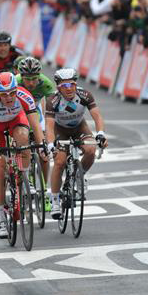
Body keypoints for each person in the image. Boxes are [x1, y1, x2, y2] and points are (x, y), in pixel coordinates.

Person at [0, 72, 46, 239]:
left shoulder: (24, 95)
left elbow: (35, 125)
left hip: (16, 121)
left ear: (16, 89)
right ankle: (1, 218)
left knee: (24, 138)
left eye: (12, 93)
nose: (9, 97)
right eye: (4, 94)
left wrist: (42, 146)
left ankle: (24, 175)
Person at [45, 68, 108, 220]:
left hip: (80, 127)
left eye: (72, 85)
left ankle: (80, 175)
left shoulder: (84, 95)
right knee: (59, 162)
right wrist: (50, 144)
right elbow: (49, 126)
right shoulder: (53, 100)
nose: (69, 89)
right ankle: (55, 200)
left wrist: (100, 133)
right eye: (64, 86)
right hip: (60, 130)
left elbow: (97, 116)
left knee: (91, 149)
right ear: (58, 87)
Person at [15, 56, 55, 209]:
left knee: (44, 154)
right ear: (21, 76)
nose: (31, 83)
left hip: (36, 113)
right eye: (27, 79)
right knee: (18, 146)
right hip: (17, 113)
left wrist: (50, 132)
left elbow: (52, 110)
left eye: (34, 79)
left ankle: (44, 193)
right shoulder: (15, 82)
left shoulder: (46, 84)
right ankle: (20, 178)